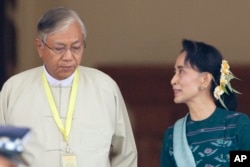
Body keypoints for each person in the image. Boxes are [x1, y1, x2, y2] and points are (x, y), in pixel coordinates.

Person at [0, 7, 137, 167]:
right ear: (40, 47)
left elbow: (125, 156)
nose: (68, 57)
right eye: (59, 48)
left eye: (76, 48)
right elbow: (4, 156)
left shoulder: (105, 88)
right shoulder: (15, 90)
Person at [160, 39, 250, 167]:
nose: (173, 80)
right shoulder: (173, 136)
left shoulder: (237, 126)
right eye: (174, 72)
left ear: (205, 79)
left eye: (181, 71)